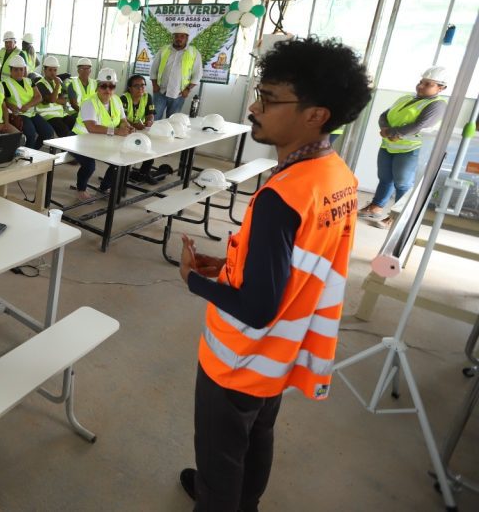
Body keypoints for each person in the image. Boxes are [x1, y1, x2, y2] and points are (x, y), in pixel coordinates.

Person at [176, 36, 372, 511]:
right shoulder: (337, 176)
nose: (255, 107)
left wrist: (194, 279)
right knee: (258, 433)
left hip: (241, 358)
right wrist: (231, 265)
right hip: (284, 350)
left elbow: (259, 308)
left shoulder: (280, 198)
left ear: (315, 115)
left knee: (221, 454)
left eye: (269, 98)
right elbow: (300, 260)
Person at [359, 66, 449, 228]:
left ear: (441, 88)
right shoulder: (406, 98)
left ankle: (397, 217)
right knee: (385, 179)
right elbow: (384, 115)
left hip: (410, 149)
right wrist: (386, 130)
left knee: (402, 184)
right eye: (421, 82)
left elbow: (420, 125)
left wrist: (391, 132)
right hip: (389, 145)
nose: (421, 86)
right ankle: (376, 206)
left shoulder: (438, 105)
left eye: (428, 84)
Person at [72, 68, 133, 199]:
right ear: (97, 87)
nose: (108, 90)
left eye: (111, 86)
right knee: (89, 165)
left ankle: (105, 186)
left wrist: (127, 127)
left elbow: (122, 119)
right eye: (104, 86)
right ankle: (80, 189)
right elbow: (91, 127)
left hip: (103, 140)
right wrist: (117, 131)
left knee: (121, 159)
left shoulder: (116, 100)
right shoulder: (89, 102)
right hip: (79, 140)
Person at [150, 23, 202, 119]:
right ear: (173, 37)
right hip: (160, 92)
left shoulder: (194, 52)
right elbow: (154, 68)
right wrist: (154, 85)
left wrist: (188, 89)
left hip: (178, 94)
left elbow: (198, 74)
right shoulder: (164, 49)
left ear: (187, 38)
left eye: (182, 36)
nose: (179, 38)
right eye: (176, 36)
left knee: (172, 121)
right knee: (154, 118)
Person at [3, 54, 54, 150]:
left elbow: (39, 97)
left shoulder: (29, 81)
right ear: (10, 70)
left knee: (48, 132)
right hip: (18, 115)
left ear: (24, 69)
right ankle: (27, 157)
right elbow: (2, 101)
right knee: (31, 134)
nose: (19, 72)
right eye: (16, 70)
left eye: (21, 69)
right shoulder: (4, 83)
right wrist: (10, 106)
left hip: (31, 113)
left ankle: (32, 151)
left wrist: (27, 105)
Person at [121, 74, 157, 183]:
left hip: (140, 130)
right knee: (127, 154)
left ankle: (143, 173)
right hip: (124, 130)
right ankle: (122, 179)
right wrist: (134, 125)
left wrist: (149, 121)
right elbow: (121, 119)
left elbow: (150, 113)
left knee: (149, 149)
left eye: (143, 85)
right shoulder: (123, 99)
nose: (140, 88)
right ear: (129, 88)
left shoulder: (147, 97)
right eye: (136, 86)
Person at [34, 55, 76, 137]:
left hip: (61, 114)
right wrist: (57, 87)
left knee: (75, 125)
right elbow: (52, 100)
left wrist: (54, 97)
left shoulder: (56, 82)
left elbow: (64, 101)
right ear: (44, 70)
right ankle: (64, 149)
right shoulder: (40, 85)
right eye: (50, 70)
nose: (53, 73)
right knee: (64, 130)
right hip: (48, 116)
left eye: (55, 70)